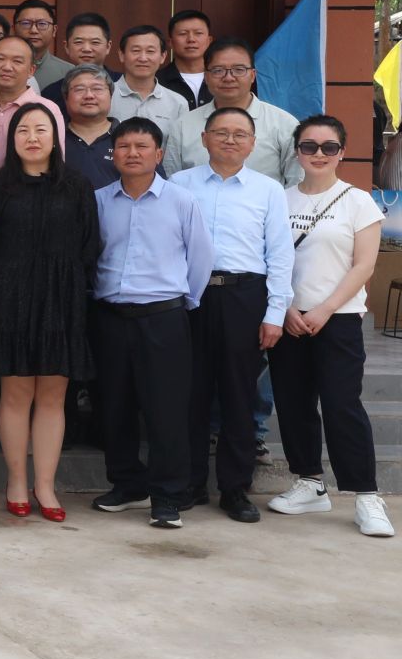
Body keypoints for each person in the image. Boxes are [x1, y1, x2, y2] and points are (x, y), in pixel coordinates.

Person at [0, 103, 101, 521]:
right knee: (16, 394)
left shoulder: (77, 186)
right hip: (9, 301)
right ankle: (16, 481)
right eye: (23, 130)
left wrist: (66, 286)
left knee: (52, 396)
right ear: (11, 139)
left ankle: (45, 485)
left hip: (61, 301)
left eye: (41, 129)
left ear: (55, 138)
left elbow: (90, 245)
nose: (31, 137)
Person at [268, 116, 392, 537]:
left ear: (342, 152)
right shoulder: (279, 199)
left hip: (337, 319)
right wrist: (286, 308)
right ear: (296, 151)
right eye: (309, 146)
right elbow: (270, 261)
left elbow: (364, 266)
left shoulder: (358, 202)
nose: (318, 154)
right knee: (293, 402)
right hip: (288, 317)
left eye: (328, 147)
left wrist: (324, 309)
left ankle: (366, 494)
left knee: (342, 404)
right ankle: (309, 482)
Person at [169, 106, 293, 522]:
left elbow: (280, 254)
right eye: (221, 132)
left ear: (253, 144)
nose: (230, 140)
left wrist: (275, 312)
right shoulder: (180, 184)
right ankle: (188, 483)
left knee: (240, 395)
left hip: (245, 296)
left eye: (240, 134)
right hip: (191, 295)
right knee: (189, 392)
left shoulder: (268, 190)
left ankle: (235, 488)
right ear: (204, 138)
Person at [90, 118, 213, 530]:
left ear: (158, 154)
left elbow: (200, 259)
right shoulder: (99, 201)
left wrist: (183, 304)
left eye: (141, 146)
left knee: (167, 410)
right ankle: (127, 485)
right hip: (110, 317)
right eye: (123, 146)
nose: (132, 153)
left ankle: (167, 496)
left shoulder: (181, 201)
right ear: (113, 155)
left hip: (163, 318)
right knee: (114, 406)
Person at [165, 39, 302, 186]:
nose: (229, 78)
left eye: (239, 70)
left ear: (253, 75)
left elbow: (297, 184)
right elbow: (171, 184)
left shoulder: (284, 124)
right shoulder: (183, 125)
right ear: (206, 77)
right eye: (218, 70)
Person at [0, 35, 63, 160]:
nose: (7, 67)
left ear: (31, 70)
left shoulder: (48, 110)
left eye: (17, 61)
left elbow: (56, 163)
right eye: (0, 59)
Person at [111, 25, 191, 135]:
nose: (143, 58)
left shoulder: (178, 103)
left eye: (150, 51)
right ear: (122, 55)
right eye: (136, 50)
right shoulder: (105, 97)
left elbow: (179, 145)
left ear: (163, 56)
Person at [60, 65, 121, 189]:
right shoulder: (53, 137)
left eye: (97, 89)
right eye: (79, 89)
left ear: (111, 96)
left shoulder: (128, 137)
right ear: (66, 98)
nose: (89, 95)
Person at [40, 14, 116, 102]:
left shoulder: (123, 84)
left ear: (108, 47)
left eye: (95, 42)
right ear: (66, 47)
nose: (86, 49)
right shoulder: (50, 94)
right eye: (79, 42)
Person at [14, 0, 75, 89]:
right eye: (26, 23)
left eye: (42, 24)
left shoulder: (69, 72)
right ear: (14, 29)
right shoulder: (1, 68)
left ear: (54, 30)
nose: (34, 30)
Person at [159, 9, 213, 109]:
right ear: (170, 42)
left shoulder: (222, 78)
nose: (191, 39)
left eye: (198, 33)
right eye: (183, 34)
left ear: (209, 40)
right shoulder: (156, 82)